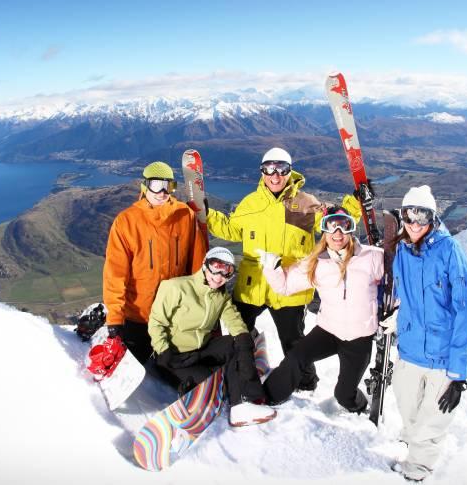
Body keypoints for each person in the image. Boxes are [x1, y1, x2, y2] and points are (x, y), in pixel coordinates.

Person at [207, 147, 361, 391]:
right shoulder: (250, 203)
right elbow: (231, 229)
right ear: (262, 171)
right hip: (252, 285)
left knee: (294, 342)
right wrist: (205, 213)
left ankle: (306, 383)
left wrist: (355, 203)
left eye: (281, 169)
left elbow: (335, 224)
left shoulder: (307, 204)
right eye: (269, 169)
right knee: (239, 336)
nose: (275, 175)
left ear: (290, 172)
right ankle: (240, 375)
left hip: (290, 287)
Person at [388, 185, 467, 482]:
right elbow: (404, 296)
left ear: (433, 218)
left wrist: (458, 373)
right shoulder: (401, 249)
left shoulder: (449, 251)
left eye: (422, 216)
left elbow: (466, 309)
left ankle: (415, 473)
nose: (415, 223)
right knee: (408, 411)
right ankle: (413, 449)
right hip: (411, 351)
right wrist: (393, 322)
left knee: (432, 423)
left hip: (441, 357)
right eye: (409, 215)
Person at [256, 206, 383, 413]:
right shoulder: (316, 263)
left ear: (351, 229)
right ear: (324, 231)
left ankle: (359, 407)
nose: (338, 233)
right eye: (331, 226)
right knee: (296, 358)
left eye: (344, 226)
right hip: (328, 330)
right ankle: (265, 398)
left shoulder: (373, 257)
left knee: (343, 394)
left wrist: (393, 312)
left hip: (359, 338)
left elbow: (395, 287)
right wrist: (272, 267)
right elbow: (285, 286)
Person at [148, 247, 277, 427]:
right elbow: (156, 322)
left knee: (235, 344)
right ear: (205, 264)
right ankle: (191, 389)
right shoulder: (176, 287)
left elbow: (233, 318)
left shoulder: (220, 296)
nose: (219, 276)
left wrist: (243, 338)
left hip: (201, 351)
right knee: (209, 382)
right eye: (215, 266)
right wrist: (164, 351)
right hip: (175, 355)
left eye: (227, 272)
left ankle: (244, 403)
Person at [101, 161, 207, 365]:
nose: (163, 192)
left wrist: (200, 304)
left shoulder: (185, 216)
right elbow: (115, 274)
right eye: (156, 184)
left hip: (173, 316)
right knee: (138, 370)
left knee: (171, 369)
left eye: (168, 185)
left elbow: (196, 264)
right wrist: (115, 319)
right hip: (138, 317)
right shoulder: (126, 222)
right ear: (144, 186)